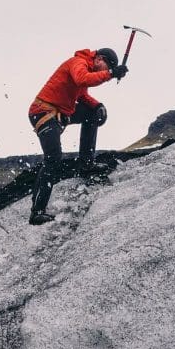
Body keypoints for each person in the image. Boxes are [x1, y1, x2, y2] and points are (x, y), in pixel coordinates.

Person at [27, 48, 129, 225]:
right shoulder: (78, 63)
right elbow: (82, 79)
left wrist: (99, 106)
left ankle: (86, 164)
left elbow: (82, 95)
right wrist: (111, 73)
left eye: (108, 69)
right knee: (53, 159)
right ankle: (37, 212)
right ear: (99, 59)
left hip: (59, 114)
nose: (104, 71)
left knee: (92, 114)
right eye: (105, 66)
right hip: (43, 112)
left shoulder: (86, 68)